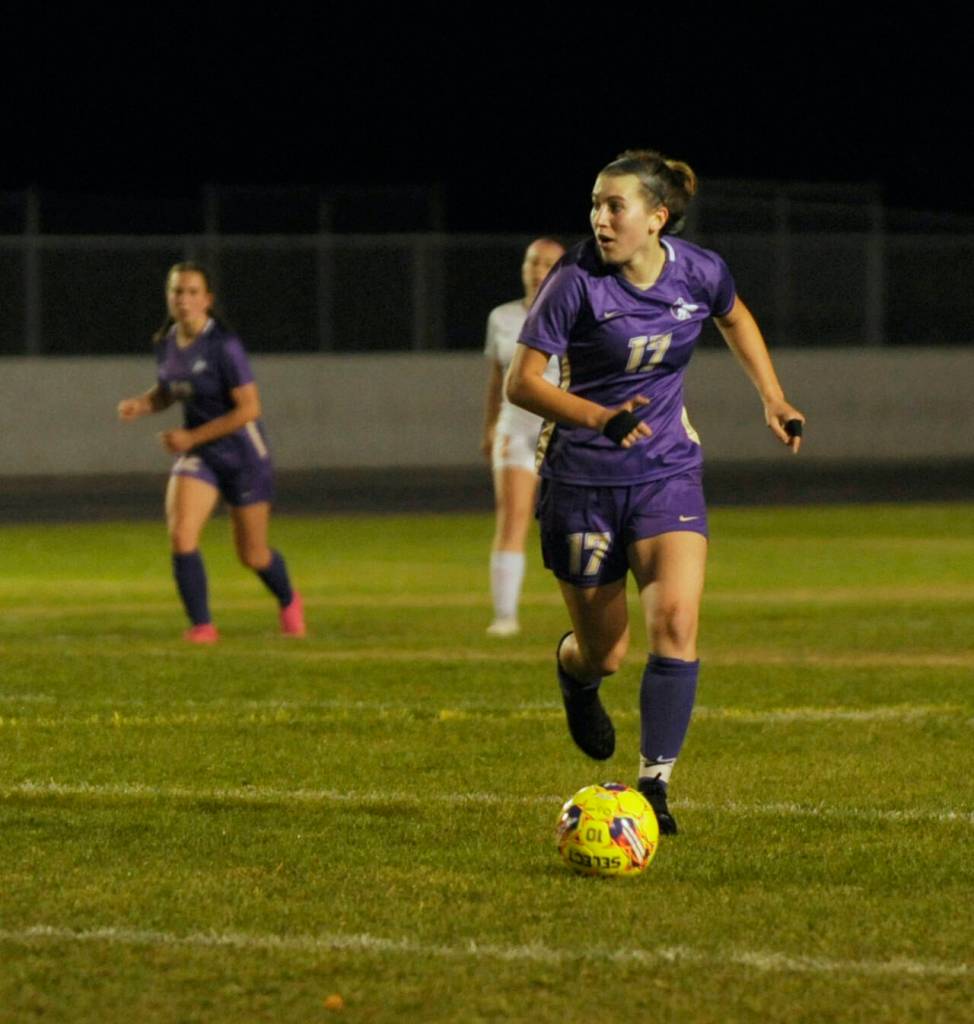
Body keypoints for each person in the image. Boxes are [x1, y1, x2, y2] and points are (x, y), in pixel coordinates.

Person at [506, 150, 804, 834]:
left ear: (656, 218)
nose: (600, 220)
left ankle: (655, 787)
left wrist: (774, 397)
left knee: (674, 622)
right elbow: (525, 383)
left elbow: (734, 317)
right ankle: (574, 674)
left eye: (615, 207)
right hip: (580, 480)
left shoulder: (699, 271)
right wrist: (600, 418)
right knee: (605, 651)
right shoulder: (574, 279)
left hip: (667, 470)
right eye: (595, 205)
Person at [117, 261, 305, 643]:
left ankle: (288, 599)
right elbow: (171, 391)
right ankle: (202, 625)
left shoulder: (223, 346)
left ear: (207, 299)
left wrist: (192, 436)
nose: (183, 299)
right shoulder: (166, 342)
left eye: (191, 292)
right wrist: (143, 403)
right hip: (201, 453)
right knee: (182, 534)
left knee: (252, 555)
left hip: (243, 456)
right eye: (176, 291)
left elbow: (250, 409)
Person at [481, 237, 565, 637]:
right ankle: (505, 615)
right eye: (532, 262)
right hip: (517, 427)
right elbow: (498, 378)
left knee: (573, 520)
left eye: (547, 263)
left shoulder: (574, 314)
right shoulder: (502, 317)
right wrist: (491, 425)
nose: (537, 270)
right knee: (513, 518)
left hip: (563, 428)